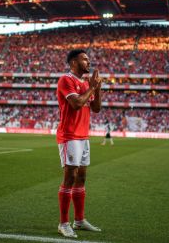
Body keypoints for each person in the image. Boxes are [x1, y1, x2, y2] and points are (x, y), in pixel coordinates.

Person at [56, 49, 102, 238]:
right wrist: (91, 88)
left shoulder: (85, 83)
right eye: (85, 59)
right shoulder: (66, 80)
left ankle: (80, 220)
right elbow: (76, 104)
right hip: (70, 135)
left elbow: (96, 108)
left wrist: (96, 89)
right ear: (74, 62)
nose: (88, 62)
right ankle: (63, 223)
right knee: (70, 177)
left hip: (83, 136)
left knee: (81, 177)